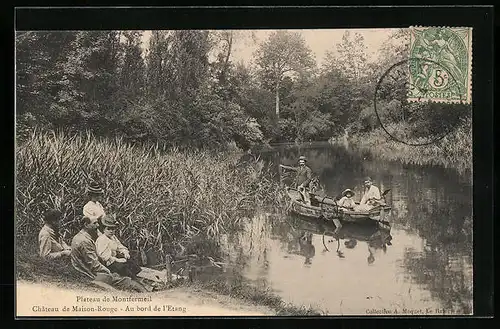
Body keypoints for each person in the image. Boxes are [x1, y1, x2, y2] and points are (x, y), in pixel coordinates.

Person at [70, 216, 147, 292]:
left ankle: (141, 284)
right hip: (88, 273)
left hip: (91, 267)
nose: (98, 225)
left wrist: (124, 253)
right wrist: (109, 272)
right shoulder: (84, 241)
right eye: (95, 223)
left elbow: (118, 247)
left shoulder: (83, 237)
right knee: (124, 280)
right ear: (86, 225)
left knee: (127, 270)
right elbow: (94, 264)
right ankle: (143, 289)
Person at [96, 215, 142, 279]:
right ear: (103, 229)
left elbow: (119, 246)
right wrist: (118, 260)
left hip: (114, 259)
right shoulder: (102, 239)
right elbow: (104, 257)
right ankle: (132, 279)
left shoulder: (113, 237)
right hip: (108, 263)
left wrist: (125, 252)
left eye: (113, 229)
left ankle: (134, 277)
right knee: (123, 267)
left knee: (131, 260)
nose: (111, 231)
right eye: (108, 229)